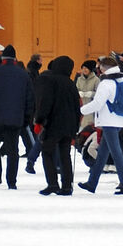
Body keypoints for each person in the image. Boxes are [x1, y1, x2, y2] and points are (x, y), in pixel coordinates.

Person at [83, 59, 123, 195]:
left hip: (108, 121)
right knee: (102, 153)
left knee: (116, 153)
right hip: (119, 119)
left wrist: (82, 110)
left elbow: (98, 103)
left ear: (103, 68)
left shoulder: (106, 83)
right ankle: (92, 183)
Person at [0, 46, 31, 188]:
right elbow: (30, 99)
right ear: (15, 58)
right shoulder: (23, 75)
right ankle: (12, 181)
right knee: (13, 149)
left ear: (2, 58)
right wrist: (26, 118)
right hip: (15, 118)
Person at [35, 55, 81, 195]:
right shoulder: (71, 83)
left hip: (54, 124)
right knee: (65, 155)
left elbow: (46, 102)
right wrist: (75, 127)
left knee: (47, 152)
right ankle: (67, 186)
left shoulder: (51, 81)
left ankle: (52, 183)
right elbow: (77, 107)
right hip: (69, 125)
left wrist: (40, 120)